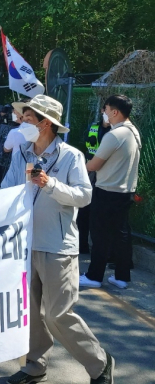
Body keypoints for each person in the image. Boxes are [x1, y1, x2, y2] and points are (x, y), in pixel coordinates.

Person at [1, 95, 114, 384]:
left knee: (57, 314)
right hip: (24, 244)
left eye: (28, 119)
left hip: (57, 246)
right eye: (22, 118)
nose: (22, 123)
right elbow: (7, 186)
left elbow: (83, 196)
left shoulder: (70, 156)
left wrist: (50, 184)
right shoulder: (21, 153)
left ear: (45, 123)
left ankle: (99, 364)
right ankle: (35, 364)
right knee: (31, 313)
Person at [80, 95, 142, 289]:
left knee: (100, 235)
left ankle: (94, 276)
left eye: (105, 110)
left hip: (107, 191)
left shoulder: (114, 135)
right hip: (126, 191)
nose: (104, 114)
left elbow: (94, 164)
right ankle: (121, 277)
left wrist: (83, 164)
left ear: (114, 112)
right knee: (121, 235)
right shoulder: (133, 132)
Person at [77, 113, 111, 253]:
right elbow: (86, 145)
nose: (107, 114)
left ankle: (108, 252)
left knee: (100, 214)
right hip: (90, 170)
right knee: (84, 210)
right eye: (106, 110)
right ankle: (82, 245)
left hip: (104, 173)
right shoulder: (94, 127)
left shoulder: (115, 132)